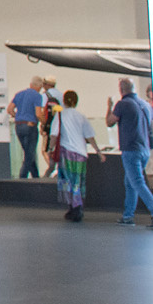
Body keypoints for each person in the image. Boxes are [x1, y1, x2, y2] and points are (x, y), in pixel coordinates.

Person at [107, 76, 153, 229]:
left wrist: (109, 106)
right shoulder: (145, 104)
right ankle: (128, 216)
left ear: (121, 89)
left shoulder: (122, 104)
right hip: (144, 149)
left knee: (137, 182)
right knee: (130, 183)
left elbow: (110, 122)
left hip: (130, 149)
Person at [51, 88, 101, 220]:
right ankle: (77, 207)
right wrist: (99, 151)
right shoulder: (81, 116)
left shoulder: (60, 115)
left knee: (67, 181)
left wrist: (50, 149)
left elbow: (54, 135)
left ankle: (73, 208)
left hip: (66, 152)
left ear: (64, 101)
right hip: (80, 153)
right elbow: (90, 136)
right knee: (78, 181)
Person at [10, 76, 45, 178]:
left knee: (28, 152)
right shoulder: (37, 96)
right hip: (30, 126)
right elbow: (38, 114)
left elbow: (10, 109)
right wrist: (44, 123)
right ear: (39, 86)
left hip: (18, 126)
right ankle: (22, 178)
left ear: (31, 84)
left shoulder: (19, 94)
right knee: (29, 155)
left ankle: (35, 177)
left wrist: (18, 117)